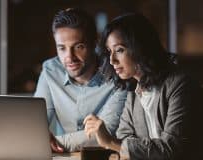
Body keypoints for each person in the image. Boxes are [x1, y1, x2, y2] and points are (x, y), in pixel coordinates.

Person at [84, 13, 203, 160]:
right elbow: (124, 137)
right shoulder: (133, 93)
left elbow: (171, 149)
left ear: (140, 47)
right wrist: (121, 145)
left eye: (120, 50)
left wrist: (110, 142)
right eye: (109, 51)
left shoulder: (180, 85)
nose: (112, 60)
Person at [34, 8, 127, 152]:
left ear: (94, 42)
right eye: (62, 48)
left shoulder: (117, 74)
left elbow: (105, 133)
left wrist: (46, 143)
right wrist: (37, 137)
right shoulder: (50, 71)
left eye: (78, 47)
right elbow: (36, 123)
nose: (69, 57)